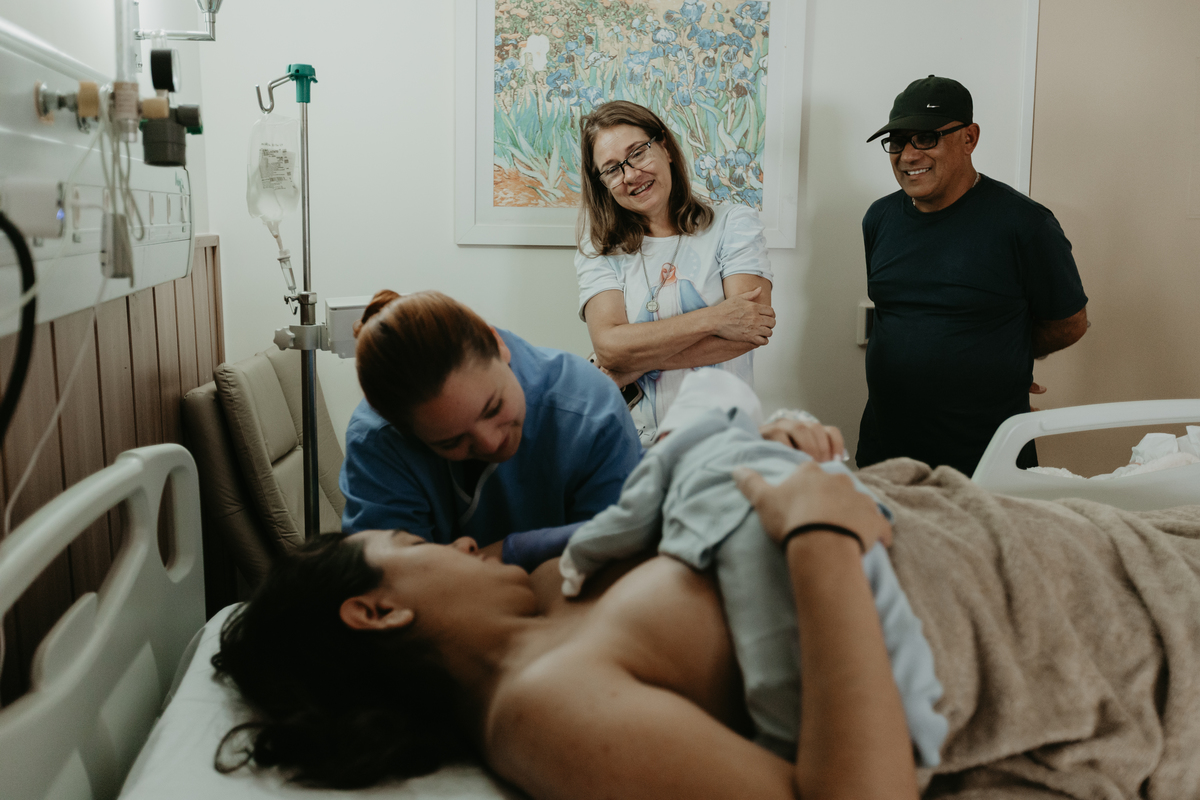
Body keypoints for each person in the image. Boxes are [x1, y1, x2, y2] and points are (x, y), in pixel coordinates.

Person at [215, 451, 1200, 797]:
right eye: (412, 543)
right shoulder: (543, 709)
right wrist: (819, 537)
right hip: (1103, 629)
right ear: (377, 607)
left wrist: (784, 454)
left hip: (1055, 545)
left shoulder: (554, 586)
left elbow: (689, 493)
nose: (461, 542)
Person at [858, 75, 1089, 476]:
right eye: (897, 141)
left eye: (926, 138)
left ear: (969, 138)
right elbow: (896, 314)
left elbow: (1069, 323)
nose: (908, 155)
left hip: (983, 460)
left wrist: (1005, 357)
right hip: (886, 452)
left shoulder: (1024, 224)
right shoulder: (879, 218)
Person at [338, 290, 642, 568]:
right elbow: (394, 586)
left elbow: (622, 558)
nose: (491, 443)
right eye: (451, 442)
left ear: (497, 344)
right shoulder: (379, 440)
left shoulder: (590, 411)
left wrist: (510, 552)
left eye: (494, 408)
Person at [576, 100, 776, 444]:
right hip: (635, 444)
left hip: (723, 442)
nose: (630, 175)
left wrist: (634, 364)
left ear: (665, 147)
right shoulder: (600, 248)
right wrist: (716, 318)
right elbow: (609, 348)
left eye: (637, 153)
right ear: (602, 183)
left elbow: (749, 330)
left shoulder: (733, 224)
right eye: (612, 169)